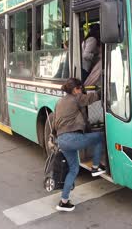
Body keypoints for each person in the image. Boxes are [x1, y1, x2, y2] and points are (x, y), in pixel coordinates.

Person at [54, 78, 105, 212]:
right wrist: (105, 90)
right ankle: (95, 167)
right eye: (80, 88)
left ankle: (63, 202)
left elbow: (55, 124)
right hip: (72, 138)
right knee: (99, 137)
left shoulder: (59, 102)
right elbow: (91, 98)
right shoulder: (76, 98)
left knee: (74, 169)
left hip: (62, 141)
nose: (82, 90)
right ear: (75, 89)